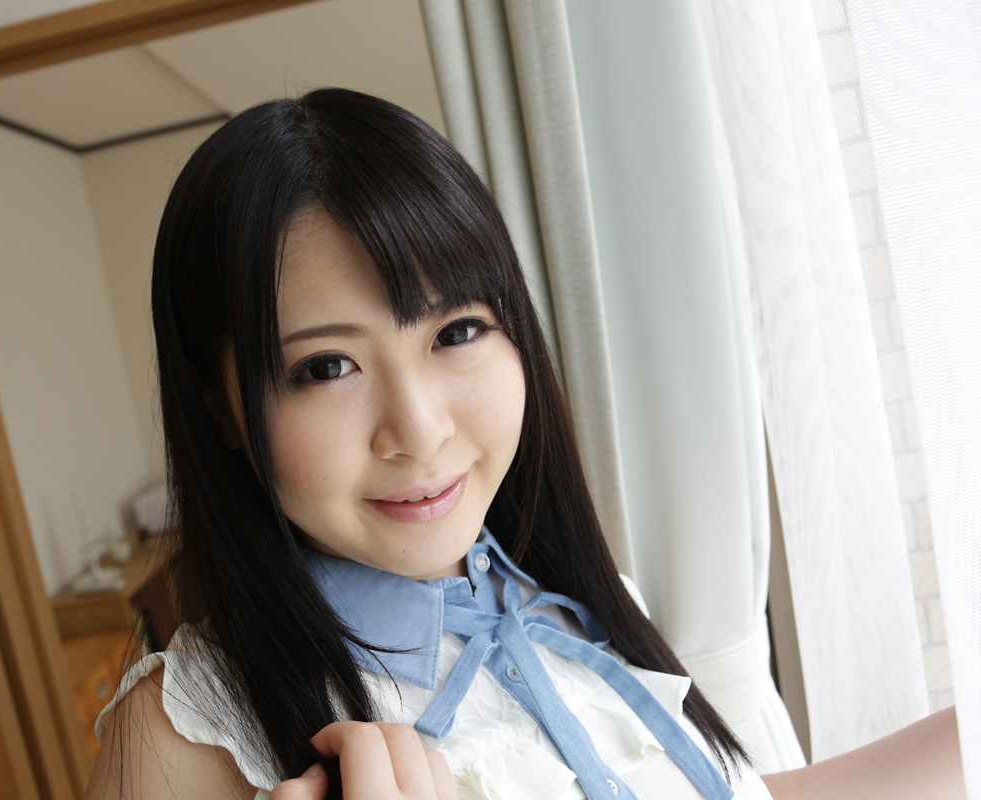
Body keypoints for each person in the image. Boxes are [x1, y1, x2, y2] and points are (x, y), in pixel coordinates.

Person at [83, 88, 964, 800]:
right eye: (326, 367)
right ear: (223, 409)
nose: (420, 430)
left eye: (457, 332)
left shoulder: (571, 606)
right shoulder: (184, 729)